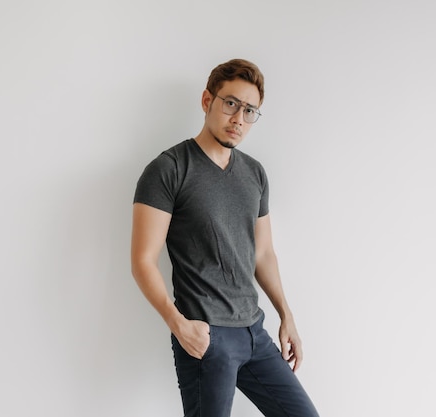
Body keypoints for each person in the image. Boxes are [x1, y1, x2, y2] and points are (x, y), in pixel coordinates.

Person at [131, 58, 319, 417]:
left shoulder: (254, 173)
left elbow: (263, 254)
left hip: (255, 332)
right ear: (207, 101)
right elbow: (142, 260)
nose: (238, 119)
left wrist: (286, 316)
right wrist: (179, 325)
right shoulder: (169, 169)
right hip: (207, 338)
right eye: (231, 103)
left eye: (250, 111)